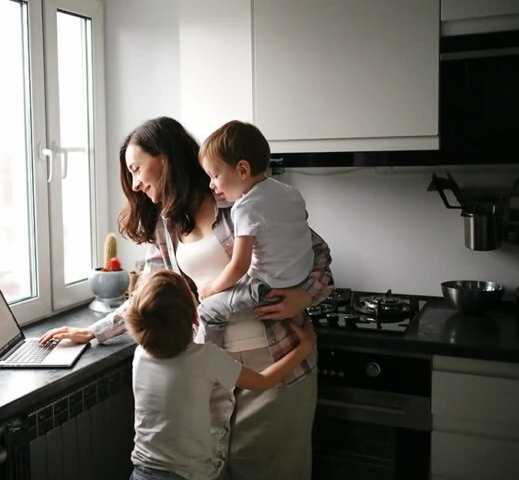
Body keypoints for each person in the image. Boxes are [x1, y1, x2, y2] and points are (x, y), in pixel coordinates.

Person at [40, 116, 333, 480]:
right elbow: (151, 290)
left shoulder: (239, 195)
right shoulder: (166, 224)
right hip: (208, 366)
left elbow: (318, 255)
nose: (134, 182)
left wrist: (304, 297)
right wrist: (95, 332)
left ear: (164, 157)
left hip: (275, 354)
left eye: (137, 168)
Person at [124, 269, 316, 480]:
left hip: (142, 471)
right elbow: (263, 381)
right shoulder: (205, 357)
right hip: (189, 475)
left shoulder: (140, 355)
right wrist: (304, 347)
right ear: (193, 315)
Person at [194, 120, 314, 348]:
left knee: (207, 311)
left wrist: (211, 289)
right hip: (300, 279)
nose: (211, 185)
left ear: (242, 170)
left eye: (214, 176)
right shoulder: (291, 193)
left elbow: (239, 265)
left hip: (267, 287)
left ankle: (208, 359)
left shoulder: (245, 207)